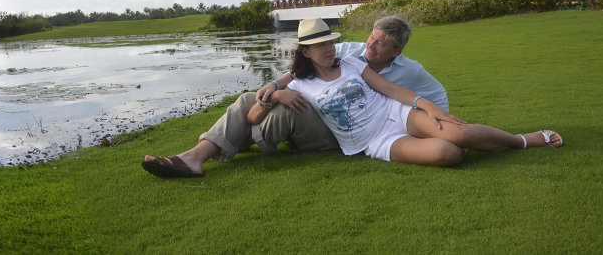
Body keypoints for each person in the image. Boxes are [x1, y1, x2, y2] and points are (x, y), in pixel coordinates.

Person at [141, 15, 453, 178]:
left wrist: (434, 117)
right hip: (323, 119)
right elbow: (294, 75)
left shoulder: (408, 70)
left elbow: (428, 93)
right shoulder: (349, 53)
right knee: (252, 100)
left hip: (347, 131)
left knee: (282, 112)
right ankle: (197, 156)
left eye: (380, 44)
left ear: (397, 50)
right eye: (371, 38)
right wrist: (276, 90)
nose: (370, 47)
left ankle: (212, 149)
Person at [253, 18, 561, 166]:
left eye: (331, 42)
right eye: (321, 45)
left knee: (461, 135)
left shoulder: (349, 61)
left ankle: (522, 140)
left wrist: (428, 107)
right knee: (449, 154)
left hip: (395, 112)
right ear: (305, 52)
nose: (329, 48)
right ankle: (457, 138)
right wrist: (277, 93)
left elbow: (390, 89)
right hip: (373, 140)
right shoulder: (298, 82)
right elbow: (255, 113)